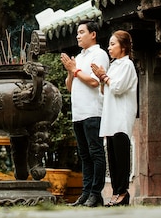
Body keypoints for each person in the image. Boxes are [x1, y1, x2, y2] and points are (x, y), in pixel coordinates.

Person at [60, 20, 110, 207]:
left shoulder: (99, 54)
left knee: (96, 153)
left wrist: (75, 70)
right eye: (77, 33)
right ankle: (86, 192)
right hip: (78, 113)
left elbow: (95, 82)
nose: (78, 36)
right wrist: (70, 72)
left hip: (93, 111)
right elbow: (70, 87)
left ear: (93, 34)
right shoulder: (79, 57)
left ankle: (96, 194)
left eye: (82, 32)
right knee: (84, 155)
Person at [91, 30, 138, 207]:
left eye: (113, 44)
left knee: (121, 157)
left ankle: (123, 192)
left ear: (123, 47)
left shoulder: (127, 65)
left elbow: (118, 87)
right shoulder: (114, 65)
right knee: (113, 157)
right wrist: (103, 79)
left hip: (121, 117)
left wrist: (104, 76)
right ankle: (117, 191)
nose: (109, 48)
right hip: (111, 117)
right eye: (109, 44)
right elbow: (106, 92)